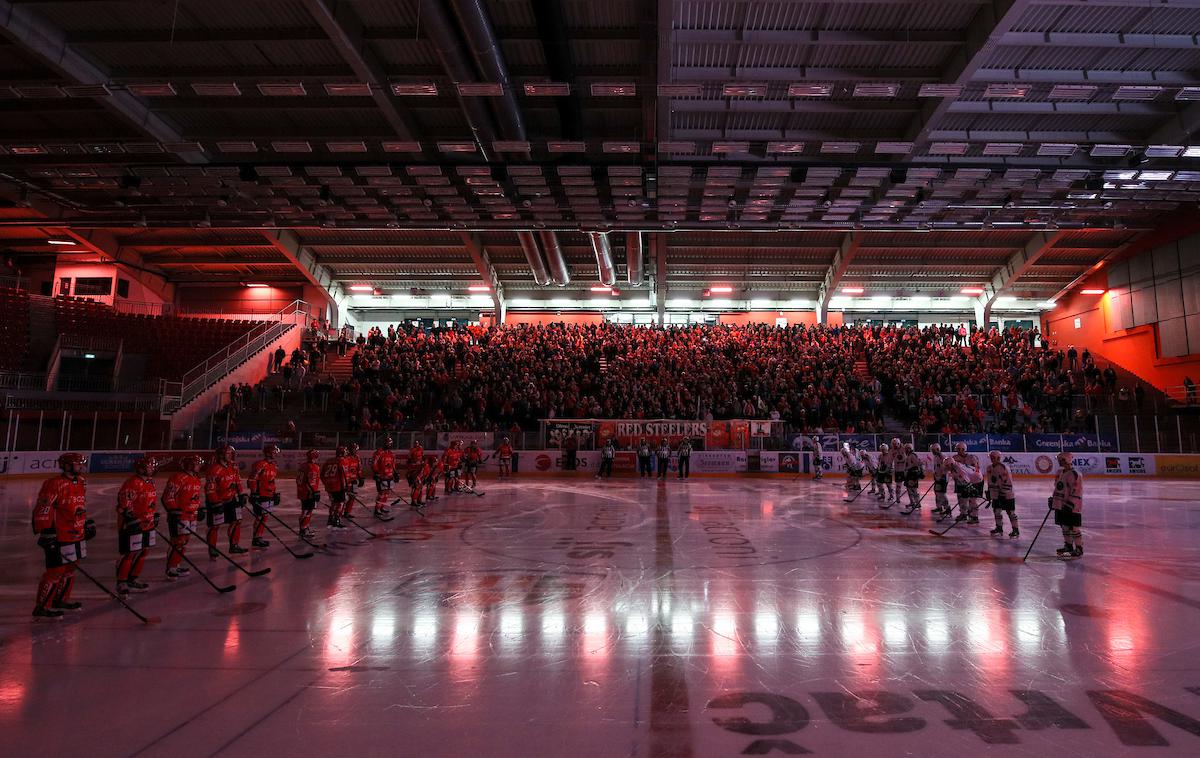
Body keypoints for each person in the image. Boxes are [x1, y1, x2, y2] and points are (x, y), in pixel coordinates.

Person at [31, 453, 93, 618]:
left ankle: (60, 599)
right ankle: (42, 607)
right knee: (54, 572)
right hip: (60, 535)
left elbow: (79, 504)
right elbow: (43, 508)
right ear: (66, 466)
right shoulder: (54, 484)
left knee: (70, 569)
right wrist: (47, 532)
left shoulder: (81, 482)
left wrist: (85, 523)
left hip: (77, 533)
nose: (81, 467)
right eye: (77, 464)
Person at [115, 456, 159, 595]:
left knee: (144, 551)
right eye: (149, 466)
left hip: (147, 523)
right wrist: (130, 518)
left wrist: (153, 515)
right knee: (130, 553)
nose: (152, 469)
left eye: (153, 466)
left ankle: (132, 579)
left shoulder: (150, 482)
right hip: (133, 525)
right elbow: (123, 505)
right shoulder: (132, 483)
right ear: (141, 468)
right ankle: (122, 581)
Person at [162, 455, 204, 580]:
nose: (199, 466)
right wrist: (174, 511)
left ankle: (176, 564)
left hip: (192, 515)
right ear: (190, 465)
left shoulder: (196, 478)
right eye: (197, 464)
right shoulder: (178, 478)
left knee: (184, 541)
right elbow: (167, 497)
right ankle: (171, 568)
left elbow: (195, 496)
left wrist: (199, 508)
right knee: (178, 542)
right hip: (181, 516)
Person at [205, 445, 247, 556]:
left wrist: (241, 494)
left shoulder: (233, 466)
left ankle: (234, 545)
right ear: (221, 455)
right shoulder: (214, 469)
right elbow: (210, 489)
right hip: (217, 501)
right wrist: (215, 503)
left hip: (231, 499)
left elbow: (237, 480)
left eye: (231, 453)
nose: (230, 456)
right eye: (228, 453)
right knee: (215, 525)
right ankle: (212, 548)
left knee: (237, 521)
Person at [1050, 451, 1084, 557]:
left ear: (1067, 460)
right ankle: (1068, 545)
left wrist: (1070, 503)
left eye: (1061, 460)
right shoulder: (1060, 472)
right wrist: (1053, 499)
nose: (1059, 462)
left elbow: (1077, 491)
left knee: (1073, 527)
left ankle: (1079, 548)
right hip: (1060, 504)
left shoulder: (1075, 474)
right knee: (1064, 526)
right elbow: (1058, 488)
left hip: (1072, 506)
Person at [247, 443, 280, 549]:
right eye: (274, 452)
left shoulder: (274, 465)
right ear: (268, 453)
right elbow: (252, 479)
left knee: (265, 517)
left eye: (275, 452)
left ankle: (259, 537)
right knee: (260, 517)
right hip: (261, 494)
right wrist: (254, 493)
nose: (275, 454)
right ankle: (256, 538)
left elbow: (272, 481)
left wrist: (274, 493)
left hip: (269, 494)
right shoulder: (260, 464)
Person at [986, 450, 1019, 538]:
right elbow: (990, 481)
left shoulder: (1003, 468)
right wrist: (989, 492)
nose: (992, 459)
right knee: (996, 511)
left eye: (994, 457)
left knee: (1010, 512)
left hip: (1006, 494)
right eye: (991, 457)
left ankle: (1015, 529)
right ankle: (999, 527)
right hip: (996, 494)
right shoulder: (989, 468)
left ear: (998, 458)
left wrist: (1002, 493)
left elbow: (1007, 482)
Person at [949, 442, 984, 525]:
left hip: (972, 481)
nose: (957, 451)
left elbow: (975, 470)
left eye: (959, 449)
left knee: (972, 499)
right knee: (961, 498)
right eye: (957, 449)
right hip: (960, 481)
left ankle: (974, 516)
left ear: (963, 449)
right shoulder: (954, 458)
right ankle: (963, 513)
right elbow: (952, 469)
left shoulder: (972, 458)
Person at [321, 446, 352, 530]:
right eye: (345, 452)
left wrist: (326, 483)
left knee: (333, 503)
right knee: (341, 503)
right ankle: (337, 520)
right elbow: (344, 475)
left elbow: (322, 474)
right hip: (339, 486)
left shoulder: (328, 461)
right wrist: (346, 486)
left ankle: (330, 519)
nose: (346, 453)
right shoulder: (343, 461)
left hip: (329, 486)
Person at [296, 449, 322, 539]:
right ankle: (304, 529)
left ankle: (303, 528)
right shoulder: (313, 467)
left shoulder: (303, 466)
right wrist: (314, 492)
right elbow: (311, 482)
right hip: (309, 493)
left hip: (302, 492)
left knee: (304, 510)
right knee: (308, 510)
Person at [372, 436, 398, 515]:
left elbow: (393, 465)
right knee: (381, 493)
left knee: (387, 493)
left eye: (390, 443)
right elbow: (374, 464)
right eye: (388, 443)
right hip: (382, 476)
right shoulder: (379, 452)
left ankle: (382, 507)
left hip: (389, 476)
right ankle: (377, 509)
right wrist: (376, 474)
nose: (389, 444)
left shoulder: (391, 453)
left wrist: (395, 473)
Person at [342, 442, 365, 518]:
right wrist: (345, 482)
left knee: (352, 497)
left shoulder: (357, 457)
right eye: (353, 449)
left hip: (354, 480)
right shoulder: (346, 458)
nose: (354, 451)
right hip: (347, 481)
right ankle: (340, 512)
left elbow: (359, 469)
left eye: (355, 449)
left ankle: (347, 512)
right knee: (344, 498)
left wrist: (361, 478)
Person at [899, 442, 923, 512]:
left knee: (913, 489)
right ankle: (912, 502)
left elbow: (917, 464)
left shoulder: (912, 455)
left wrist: (919, 472)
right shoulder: (908, 455)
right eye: (906, 449)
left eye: (907, 449)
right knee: (909, 489)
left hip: (913, 474)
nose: (906, 450)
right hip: (909, 474)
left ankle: (917, 503)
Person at [928, 444, 951, 518]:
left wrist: (941, 476)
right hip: (938, 477)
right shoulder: (936, 457)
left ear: (937, 449)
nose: (932, 452)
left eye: (933, 450)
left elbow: (946, 468)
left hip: (943, 478)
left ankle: (947, 508)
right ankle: (939, 507)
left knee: (941, 494)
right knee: (937, 492)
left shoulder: (943, 456)